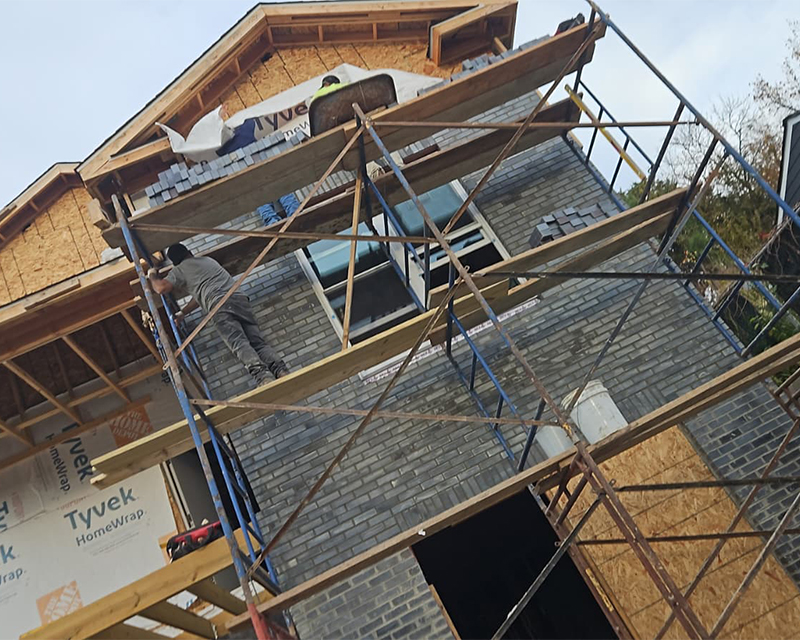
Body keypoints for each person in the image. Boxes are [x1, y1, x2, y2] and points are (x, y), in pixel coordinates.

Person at [146, 244, 289, 386]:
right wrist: (183, 312)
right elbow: (200, 296)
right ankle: (281, 371)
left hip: (219, 306)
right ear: (189, 252)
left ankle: (264, 378)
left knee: (239, 343)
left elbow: (160, 288)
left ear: (175, 263)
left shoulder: (180, 270)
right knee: (257, 342)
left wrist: (152, 275)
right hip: (239, 299)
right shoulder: (207, 260)